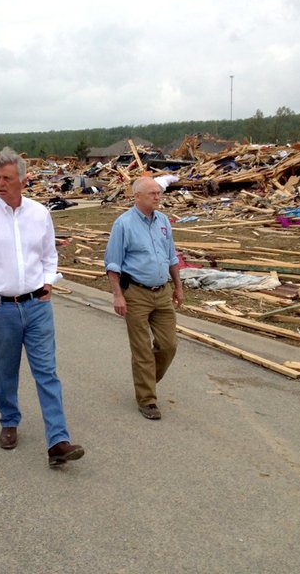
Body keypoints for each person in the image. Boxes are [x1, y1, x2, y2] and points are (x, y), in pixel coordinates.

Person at [0, 147, 84, 467]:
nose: (0, 184)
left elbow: (48, 254)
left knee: (47, 372)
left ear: (23, 180)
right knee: (4, 370)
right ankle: (9, 420)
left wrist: (48, 282)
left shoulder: (39, 214)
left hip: (36, 306)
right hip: (0, 309)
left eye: (7, 178)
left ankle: (58, 440)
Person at [104, 176, 183, 420]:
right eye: (152, 194)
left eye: (159, 193)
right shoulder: (123, 224)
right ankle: (147, 399)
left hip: (162, 291)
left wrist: (178, 287)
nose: (158, 197)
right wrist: (118, 295)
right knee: (141, 350)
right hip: (136, 293)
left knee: (169, 345)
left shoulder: (163, 222)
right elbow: (113, 263)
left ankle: (146, 379)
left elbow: (172, 257)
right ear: (137, 196)